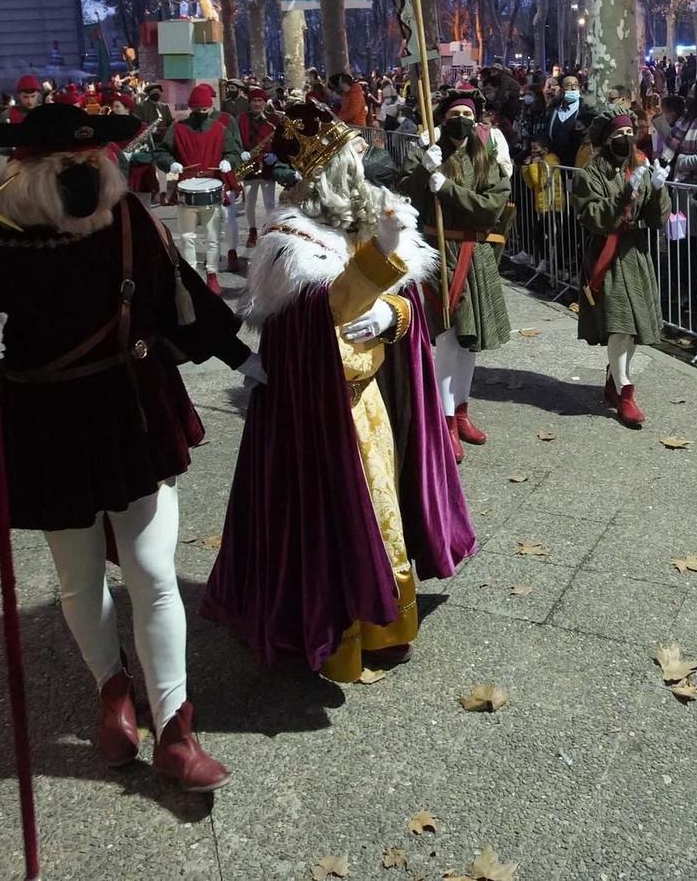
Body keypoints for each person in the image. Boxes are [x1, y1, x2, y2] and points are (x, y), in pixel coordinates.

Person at [0, 103, 254, 789]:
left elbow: (180, 297)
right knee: (78, 579)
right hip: (45, 427)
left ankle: (175, 726)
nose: (81, 175)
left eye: (90, 161)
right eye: (62, 164)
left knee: (153, 572)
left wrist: (240, 358)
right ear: (24, 170)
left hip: (133, 412)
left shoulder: (130, 221)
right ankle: (112, 689)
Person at [202, 101, 474, 682]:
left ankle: (385, 622)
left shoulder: (374, 215)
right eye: (352, 152)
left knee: (381, 509)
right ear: (329, 171)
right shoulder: (290, 242)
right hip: (315, 415)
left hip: (369, 400)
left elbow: (405, 307)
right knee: (337, 517)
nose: (365, 157)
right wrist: (379, 267)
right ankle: (340, 625)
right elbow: (318, 326)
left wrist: (393, 316)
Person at [401, 89, 513, 456]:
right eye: (455, 112)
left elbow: (492, 206)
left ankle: (461, 409)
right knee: (447, 340)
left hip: (473, 253)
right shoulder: (426, 154)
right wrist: (423, 174)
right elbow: (404, 197)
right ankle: (443, 418)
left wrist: (449, 190)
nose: (462, 117)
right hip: (437, 254)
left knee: (469, 342)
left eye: (468, 112)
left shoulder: (485, 158)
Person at [572, 112, 670, 428]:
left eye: (630, 131)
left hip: (634, 253)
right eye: (619, 132)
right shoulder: (588, 175)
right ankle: (626, 390)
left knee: (632, 329)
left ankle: (614, 382)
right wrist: (624, 195)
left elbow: (658, 219)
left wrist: (657, 190)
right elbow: (593, 217)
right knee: (619, 324)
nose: (626, 137)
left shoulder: (639, 167)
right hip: (606, 256)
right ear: (606, 139)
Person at [149, 82, 243, 291]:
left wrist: (230, 161)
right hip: (186, 187)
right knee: (187, 236)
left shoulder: (220, 129)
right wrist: (170, 163)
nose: (201, 113)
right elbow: (161, 152)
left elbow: (234, 152)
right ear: (191, 108)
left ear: (210, 107)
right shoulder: (178, 128)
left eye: (204, 109)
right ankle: (191, 275)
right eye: (197, 109)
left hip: (213, 186)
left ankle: (212, 274)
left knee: (212, 235)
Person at [234, 86, 281, 253]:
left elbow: (280, 141)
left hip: (267, 165)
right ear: (249, 103)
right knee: (250, 202)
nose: (257, 104)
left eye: (260, 100)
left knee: (269, 202)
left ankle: (269, 230)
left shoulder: (273, 119)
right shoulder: (242, 119)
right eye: (254, 101)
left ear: (265, 102)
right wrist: (242, 153)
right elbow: (237, 139)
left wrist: (275, 154)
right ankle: (252, 230)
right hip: (249, 164)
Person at [544, 75, 592, 167]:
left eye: (576, 84)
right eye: (569, 85)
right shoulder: (553, 110)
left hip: (577, 164)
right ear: (562, 89)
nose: (573, 88)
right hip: (556, 165)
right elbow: (546, 135)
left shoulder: (585, 110)